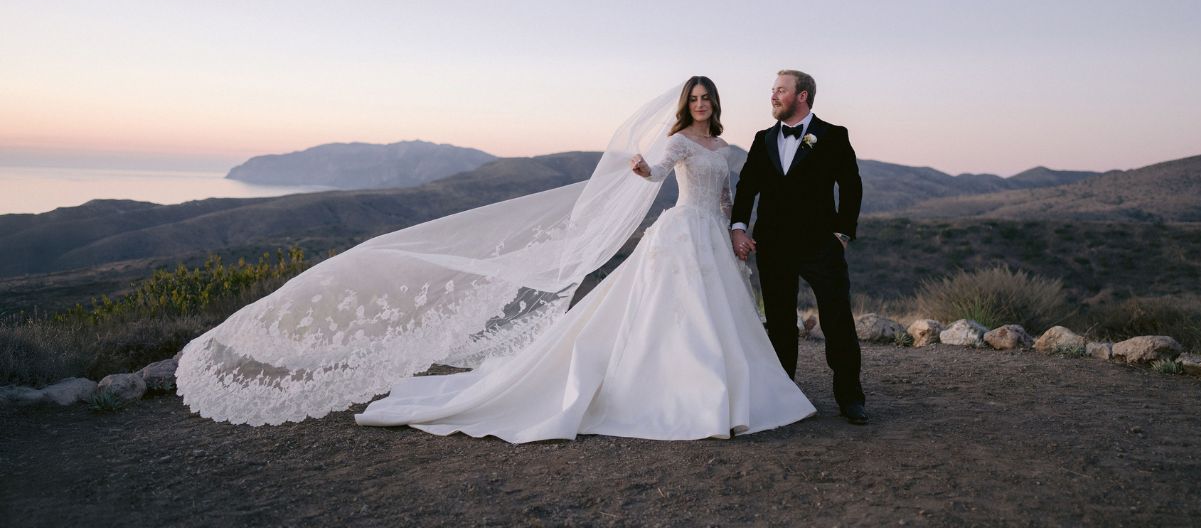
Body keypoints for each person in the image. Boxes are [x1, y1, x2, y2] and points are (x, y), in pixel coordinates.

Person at [177, 76, 815, 440]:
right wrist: (642, 169)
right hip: (679, 234)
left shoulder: (725, 145)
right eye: (695, 98)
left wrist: (738, 228)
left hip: (714, 235)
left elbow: (730, 194)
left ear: (716, 106)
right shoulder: (677, 140)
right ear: (686, 105)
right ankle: (689, 398)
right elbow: (653, 179)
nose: (702, 105)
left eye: (707, 98)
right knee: (673, 320)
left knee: (718, 319)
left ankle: (728, 396)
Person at [730, 69, 868, 424]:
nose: (773, 96)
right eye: (772, 90)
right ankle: (782, 395)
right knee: (778, 323)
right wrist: (739, 227)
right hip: (773, 244)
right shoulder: (762, 139)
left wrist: (842, 234)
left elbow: (851, 186)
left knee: (837, 320)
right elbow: (747, 187)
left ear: (802, 95)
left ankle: (850, 398)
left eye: (780, 90)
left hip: (821, 244)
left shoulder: (834, 136)